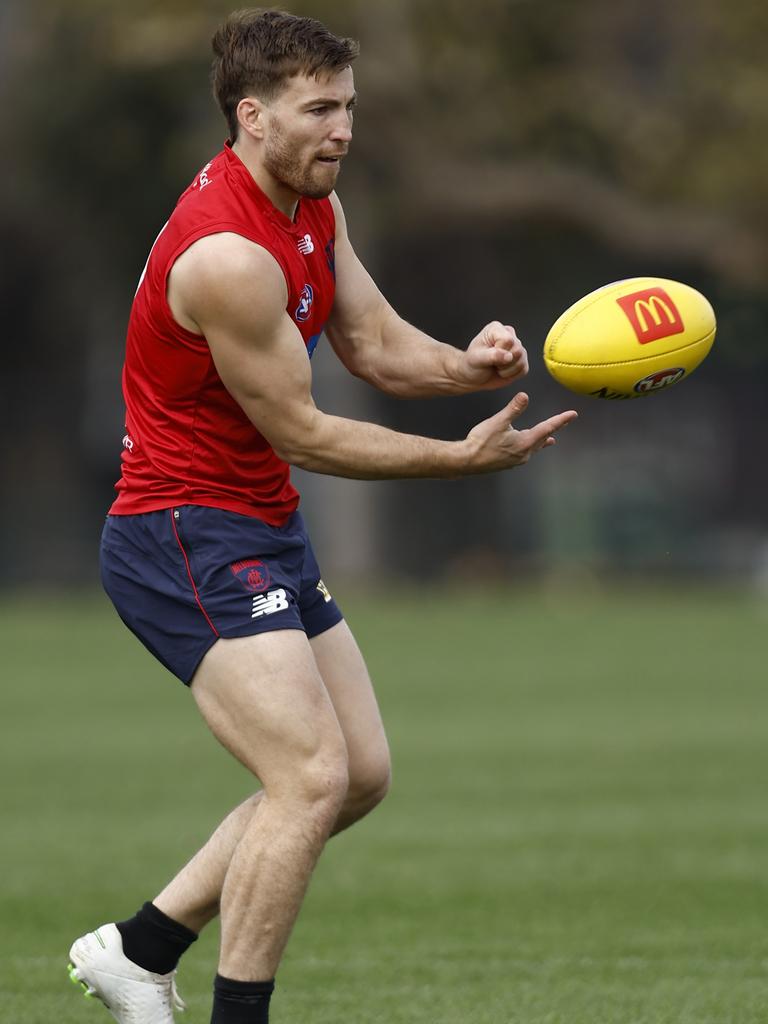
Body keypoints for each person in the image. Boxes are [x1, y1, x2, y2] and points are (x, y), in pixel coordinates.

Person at [66, 9, 577, 1024]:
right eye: (318, 109)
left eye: (347, 106)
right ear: (252, 116)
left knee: (359, 774)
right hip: (184, 533)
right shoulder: (226, 256)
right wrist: (459, 458)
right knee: (308, 775)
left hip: (257, 522)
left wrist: (463, 368)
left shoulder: (312, 206)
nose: (341, 128)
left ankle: (138, 947)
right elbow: (302, 430)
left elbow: (377, 345)